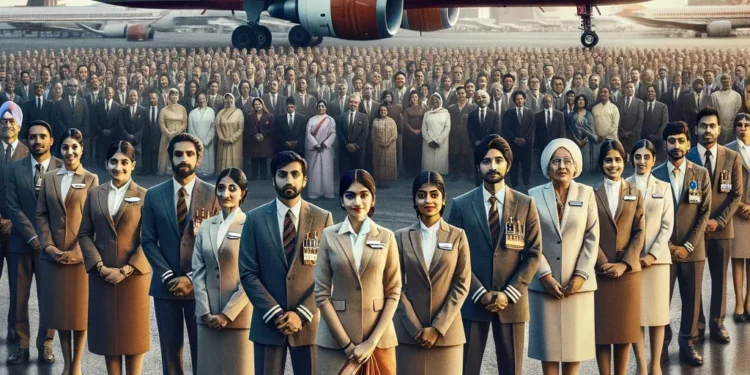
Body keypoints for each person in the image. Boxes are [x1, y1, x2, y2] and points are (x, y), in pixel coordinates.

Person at [447, 134, 542, 375]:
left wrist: (509, 294)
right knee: (467, 368)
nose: (493, 166)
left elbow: (533, 253)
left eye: (499, 160)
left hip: (511, 301)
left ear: (508, 165)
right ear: (478, 166)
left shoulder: (525, 203)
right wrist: (479, 292)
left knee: (511, 370)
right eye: (486, 161)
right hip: (472, 299)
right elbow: (453, 256)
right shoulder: (461, 205)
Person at [239, 151, 333, 375]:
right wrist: (274, 313)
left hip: (308, 324)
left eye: (295, 174)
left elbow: (330, 273)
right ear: (273, 179)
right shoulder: (254, 219)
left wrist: (301, 313)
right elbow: (248, 273)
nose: (289, 180)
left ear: (305, 179)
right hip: (268, 323)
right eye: (282, 175)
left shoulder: (322, 218)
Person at [141, 133, 219, 374]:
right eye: (178, 154)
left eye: (189, 154)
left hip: (202, 288)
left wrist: (191, 278)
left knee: (203, 351)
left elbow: (217, 244)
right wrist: (168, 277)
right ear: (170, 158)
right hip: (166, 287)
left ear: (198, 159)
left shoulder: (214, 193)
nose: (183, 159)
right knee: (170, 352)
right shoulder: (154, 195)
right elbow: (148, 241)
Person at [314, 169, 401, 375]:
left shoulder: (386, 237)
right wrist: (346, 344)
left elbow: (394, 291)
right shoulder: (329, 236)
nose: (357, 202)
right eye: (350, 195)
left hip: (379, 340)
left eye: (364, 195)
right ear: (341, 200)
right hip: (336, 342)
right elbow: (321, 293)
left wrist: (371, 342)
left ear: (373, 199)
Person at [78, 141, 151, 375]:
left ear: (133, 165)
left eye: (124, 162)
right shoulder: (95, 194)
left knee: (134, 335)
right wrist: (100, 267)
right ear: (106, 164)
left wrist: (127, 269)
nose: (118, 167)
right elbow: (84, 234)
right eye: (113, 161)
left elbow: (149, 239)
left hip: (134, 277)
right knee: (109, 335)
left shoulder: (145, 196)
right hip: (103, 276)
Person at [528, 138, 598, 375]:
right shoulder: (533, 196)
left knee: (573, 348)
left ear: (575, 165)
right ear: (548, 167)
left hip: (577, 284)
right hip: (544, 285)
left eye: (567, 161)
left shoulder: (587, 193)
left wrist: (581, 275)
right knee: (548, 349)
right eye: (555, 161)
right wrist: (545, 275)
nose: (561, 166)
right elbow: (532, 240)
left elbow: (592, 237)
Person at [393, 171, 471, 375]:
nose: (428, 200)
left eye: (434, 194)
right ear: (414, 200)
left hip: (447, 335)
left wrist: (437, 327)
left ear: (443, 198)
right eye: (421, 195)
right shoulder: (400, 237)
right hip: (409, 335)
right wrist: (415, 328)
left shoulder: (458, 236)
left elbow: (461, 284)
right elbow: (394, 287)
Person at [35, 128, 98, 375]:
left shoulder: (91, 178)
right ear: (59, 150)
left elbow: (96, 218)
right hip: (54, 258)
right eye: (65, 147)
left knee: (79, 313)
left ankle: (77, 366)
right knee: (61, 313)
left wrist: (80, 252)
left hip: (80, 258)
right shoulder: (50, 177)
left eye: (74, 147)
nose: (70, 152)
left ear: (81, 149)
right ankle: (66, 363)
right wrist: (49, 247)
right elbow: (41, 214)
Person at [652, 121, 711, 366]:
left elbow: (704, 212)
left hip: (692, 250)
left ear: (689, 143)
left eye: (681, 141)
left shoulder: (700, 173)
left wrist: (687, 246)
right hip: (663, 252)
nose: (676, 146)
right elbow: (650, 216)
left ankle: (687, 342)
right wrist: (666, 246)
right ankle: (662, 345)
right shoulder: (655, 175)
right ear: (665, 144)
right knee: (660, 300)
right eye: (671, 141)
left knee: (691, 299)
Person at [686, 107, 743, 343]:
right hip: (693, 232)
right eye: (703, 126)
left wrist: (718, 221)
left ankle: (717, 323)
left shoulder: (731, 157)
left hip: (721, 229)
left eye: (712, 126)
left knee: (719, 279)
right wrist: (698, 225)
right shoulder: (686, 157)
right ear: (695, 130)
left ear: (720, 129)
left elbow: (736, 195)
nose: (708, 130)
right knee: (694, 281)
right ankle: (696, 326)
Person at [5, 120, 60, 365]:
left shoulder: (61, 168)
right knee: (18, 297)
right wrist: (32, 235)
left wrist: (46, 239)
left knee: (49, 297)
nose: (37, 141)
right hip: (20, 242)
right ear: (27, 141)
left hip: (52, 246)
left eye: (42, 136)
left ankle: (46, 343)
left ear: (51, 140)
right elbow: (12, 206)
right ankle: (21, 345)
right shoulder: (14, 169)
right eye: (33, 137)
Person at [192, 168, 254, 374]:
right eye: (220, 188)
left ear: (243, 192)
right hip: (207, 318)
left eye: (232, 188)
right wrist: (205, 311)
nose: (225, 194)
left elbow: (251, 276)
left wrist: (227, 314)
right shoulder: (206, 226)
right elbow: (198, 271)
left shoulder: (250, 226)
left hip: (238, 317)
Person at [592, 140, 645, 375]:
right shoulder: (591, 193)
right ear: (601, 163)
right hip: (601, 271)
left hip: (627, 272)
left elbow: (639, 232)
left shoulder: (635, 193)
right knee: (603, 330)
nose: (613, 164)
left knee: (624, 329)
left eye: (617, 160)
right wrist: (604, 264)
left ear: (624, 162)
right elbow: (588, 232)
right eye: (608, 160)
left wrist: (624, 264)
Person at [626, 140, 675, 375]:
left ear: (654, 160)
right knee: (635, 314)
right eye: (638, 157)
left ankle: (655, 364)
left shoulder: (663, 187)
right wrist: (633, 257)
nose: (642, 161)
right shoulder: (623, 186)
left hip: (657, 261)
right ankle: (641, 365)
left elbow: (667, 226)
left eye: (647, 157)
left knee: (657, 315)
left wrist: (652, 255)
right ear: (631, 159)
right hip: (632, 262)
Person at [0, 102, 29, 343]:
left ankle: (15, 333)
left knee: (18, 288)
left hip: (18, 232)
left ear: (19, 125)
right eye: (3, 121)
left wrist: (13, 220)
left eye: (11, 121)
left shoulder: (28, 154)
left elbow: (31, 195)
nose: (7, 125)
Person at [726, 113, 750, 322]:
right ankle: (739, 303)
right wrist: (740, 204)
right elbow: (724, 185)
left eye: (747, 125)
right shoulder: (728, 150)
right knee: (738, 258)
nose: (743, 128)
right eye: (739, 125)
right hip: (736, 210)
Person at [502, 91, 535, 189]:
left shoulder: (530, 113)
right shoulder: (509, 113)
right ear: (514, 101)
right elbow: (506, 128)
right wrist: (514, 139)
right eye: (517, 99)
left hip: (526, 144)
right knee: (514, 164)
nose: (519, 101)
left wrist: (524, 139)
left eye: (521, 99)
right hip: (513, 144)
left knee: (526, 164)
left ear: (524, 100)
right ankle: (514, 183)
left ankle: (526, 182)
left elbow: (531, 128)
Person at [305, 100, 337, 199]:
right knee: (315, 170)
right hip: (315, 148)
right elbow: (308, 133)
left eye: (323, 106)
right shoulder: (311, 120)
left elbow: (333, 133)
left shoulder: (330, 120)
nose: (321, 108)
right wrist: (316, 144)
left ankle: (328, 192)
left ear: (326, 107)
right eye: (319, 106)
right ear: (317, 108)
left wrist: (324, 144)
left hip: (326, 149)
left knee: (327, 169)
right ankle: (315, 192)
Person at [336, 93, 369, 176]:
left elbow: (364, 132)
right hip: (345, 150)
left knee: (358, 173)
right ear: (348, 103)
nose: (353, 104)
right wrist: (347, 145)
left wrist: (356, 145)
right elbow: (339, 132)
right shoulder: (341, 116)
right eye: (351, 102)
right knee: (345, 172)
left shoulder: (363, 117)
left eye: (355, 102)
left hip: (358, 150)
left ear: (358, 104)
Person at [447, 86, 476, 181]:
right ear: (456, 95)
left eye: (462, 93)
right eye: (459, 93)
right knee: (455, 154)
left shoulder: (472, 107)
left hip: (467, 134)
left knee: (467, 153)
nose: (461, 95)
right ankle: (456, 173)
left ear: (466, 94)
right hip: (454, 134)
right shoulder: (451, 108)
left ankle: (468, 173)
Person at [158, 88, 188, 175]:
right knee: (168, 153)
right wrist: (169, 134)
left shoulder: (182, 109)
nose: (174, 96)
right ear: (169, 96)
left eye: (176, 94)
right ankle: (166, 171)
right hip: (167, 136)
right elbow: (162, 125)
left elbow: (184, 123)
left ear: (178, 97)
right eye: (172, 94)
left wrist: (176, 133)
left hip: (179, 135)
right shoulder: (164, 110)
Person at [244, 98, 274, 180]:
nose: (257, 106)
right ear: (253, 106)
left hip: (265, 141)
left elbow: (272, 129)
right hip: (254, 140)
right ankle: (254, 176)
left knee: (263, 159)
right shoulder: (250, 116)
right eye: (255, 104)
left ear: (262, 104)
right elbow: (247, 128)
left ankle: (263, 176)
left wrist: (263, 135)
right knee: (254, 159)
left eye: (259, 104)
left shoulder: (269, 116)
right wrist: (255, 135)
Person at [566, 94, 597, 174]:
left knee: (585, 165)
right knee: (575, 164)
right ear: (576, 102)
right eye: (579, 100)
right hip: (574, 142)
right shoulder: (571, 115)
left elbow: (591, 130)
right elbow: (570, 129)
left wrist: (584, 141)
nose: (581, 101)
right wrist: (577, 141)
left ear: (585, 102)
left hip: (586, 143)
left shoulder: (589, 115)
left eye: (583, 99)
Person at [188, 93, 216, 177]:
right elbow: (190, 128)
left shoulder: (211, 111)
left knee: (208, 157)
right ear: (197, 100)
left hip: (208, 141)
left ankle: (208, 172)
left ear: (206, 99)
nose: (202, 100)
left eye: (203, 98)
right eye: (200, 99)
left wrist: (206, 140)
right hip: (196, 141)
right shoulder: (192, 113)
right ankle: (198, 171)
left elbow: (213, 127)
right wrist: (198, 141)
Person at [422, 93, 451, 175]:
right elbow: (424, 129)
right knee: (428, 165)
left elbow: (447, 128)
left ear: (440, 100)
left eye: (437, 99)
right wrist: (429, 140)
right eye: (433, 99)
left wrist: (438, 140)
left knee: (440, 165)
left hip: (441, 143)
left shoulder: (446, 114)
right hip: (428, 142)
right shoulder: (427, 114)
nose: (434, 100)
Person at [118, 90, 146, 174]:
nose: (133, 97)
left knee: (137, 157)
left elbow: (143, 126)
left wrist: (135, 136)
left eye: (134, 95)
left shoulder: (142, 110)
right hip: (126, 138)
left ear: (137, 97)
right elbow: (121, 124)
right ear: (128, 97)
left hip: (137, 140)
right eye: (130, 96)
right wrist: (127, 135)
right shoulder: (123, 109)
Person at [215, 93, 244, 172]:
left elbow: (240, 128)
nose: (229, 100)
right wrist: (222, 138)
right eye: (227, 98)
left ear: (233, 100)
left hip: (235, 142)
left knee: (234, 160)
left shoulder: (238, 112)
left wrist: (231, 139)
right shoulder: (220, 113)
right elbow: (217, 126)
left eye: (230, 98)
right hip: (223, 141)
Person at [371, 104, 398, 188]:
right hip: (378, 146)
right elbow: (373, 134)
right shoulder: (375, 121)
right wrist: (379, 143)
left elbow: (395, 134)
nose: (383, 112)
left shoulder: (392, 121)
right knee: (379, 163)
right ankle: (379, 183)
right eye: (381, 110)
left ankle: (388, 183)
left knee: (388, 163)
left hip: (389, 147)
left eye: (385, 110)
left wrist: (388, 143)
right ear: (379, 112)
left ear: (387, 111)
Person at [712, 73, 742, 145]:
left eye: (727, 82)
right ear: (721, 82)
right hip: (720, 127)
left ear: (730, 82)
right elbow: (713, 112)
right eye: (724, 82)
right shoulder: (715, 95)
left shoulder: (736, 95)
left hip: (732, 127)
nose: (726, 84)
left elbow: (738, 112)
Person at [403, 90, 426, 177]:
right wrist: (413, 130)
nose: (414, 98)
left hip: (420, 134)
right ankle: (410, 172)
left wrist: (420, 130)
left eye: (416, 97)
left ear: (418, 98)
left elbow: (425, 120)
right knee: (410, 152)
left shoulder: (423, 109)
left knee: (418, 152)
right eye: (413, 97)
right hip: (409, 135)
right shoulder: (407, 109)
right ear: (410, 99)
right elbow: (405, 122)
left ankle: (418, 171)